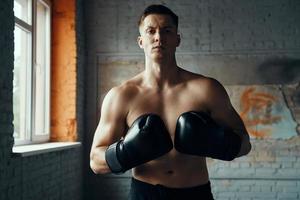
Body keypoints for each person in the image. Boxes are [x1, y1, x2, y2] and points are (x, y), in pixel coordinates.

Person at [90, 4, 252, 200]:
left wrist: (218, 142)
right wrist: (126, 151)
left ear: (177, 39)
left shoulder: (206, 89)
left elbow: (245, 144)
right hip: (145, 193)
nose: (159, 37)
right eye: (151, 31)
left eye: (167, 30)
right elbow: (96, 163)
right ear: (141, 41)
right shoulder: (121, 96)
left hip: (195, 193)